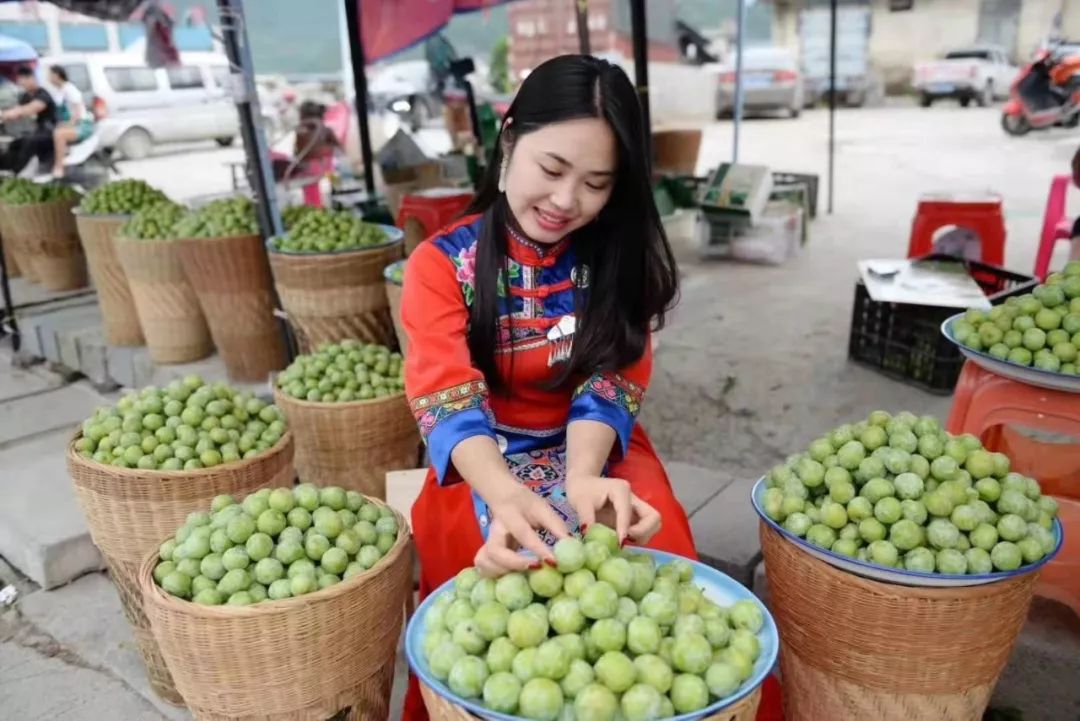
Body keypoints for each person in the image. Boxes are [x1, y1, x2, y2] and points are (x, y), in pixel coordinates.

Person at [400, 54, 697, 720]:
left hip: (594, 441)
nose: (567, 202)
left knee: (658, 540)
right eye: (552, 170)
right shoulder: (442, 265)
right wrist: (505, 493)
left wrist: (583, 475)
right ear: (509, 141)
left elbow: (610, 380)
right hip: (478, 457)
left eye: (596, 183)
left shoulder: (617, 257)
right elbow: (447, 397)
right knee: (484, 581)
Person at [0, 66, 57, 174]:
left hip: (50, 132)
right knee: (15, 144)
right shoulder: (26, 96)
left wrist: (6, 114)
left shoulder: (43, 94)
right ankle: (5, 169)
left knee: (28, 142)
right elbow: (16, 111)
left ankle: (17, 173)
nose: (22, 86)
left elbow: (29, 109)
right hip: (37, 131)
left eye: (23, 83)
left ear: (31, 78)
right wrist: (5, 117)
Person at [48, 65, 93, 178]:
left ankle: (59, 167)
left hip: (82, 125)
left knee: (59, 134)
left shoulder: (70, 89)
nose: (48, 78)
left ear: (56, 75)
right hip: (71, 124)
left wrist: (66, 125)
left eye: (49, 75)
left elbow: (77, 113)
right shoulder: (59, 90)